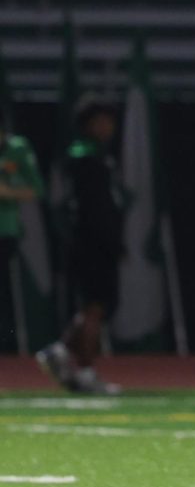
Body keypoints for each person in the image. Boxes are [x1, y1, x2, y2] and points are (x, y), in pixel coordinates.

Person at [36, 97, 124, 395]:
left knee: (94, 308)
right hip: (91, 241)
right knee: (93, 310)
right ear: (88, 124)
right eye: (101, 121)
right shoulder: (85, 157)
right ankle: (86, 371)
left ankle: (59, 351)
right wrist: (108, 240)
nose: (108, 127)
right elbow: (92, 208)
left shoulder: (98, 155)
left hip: (94, 241)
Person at [0, 115, 45, 350]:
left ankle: (7, 344)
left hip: (5, 229)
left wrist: (8, 193)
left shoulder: (18, 148)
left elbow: (36, 189)